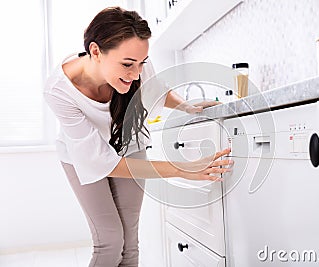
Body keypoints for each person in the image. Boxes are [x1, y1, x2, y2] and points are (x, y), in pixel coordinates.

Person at [43, 6, 231, 267]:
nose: (136, 73)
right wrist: (183, 169)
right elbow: (101, 162)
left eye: (141, 64)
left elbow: (155, 89)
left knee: (129, 243)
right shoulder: (58, 90)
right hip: (82, 156)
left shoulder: (135, 56)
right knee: (110, 241)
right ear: (96, 51)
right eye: (128, 65)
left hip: (127, 142)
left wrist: (188, 106)